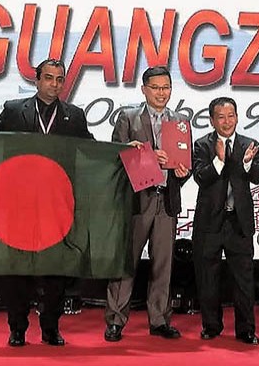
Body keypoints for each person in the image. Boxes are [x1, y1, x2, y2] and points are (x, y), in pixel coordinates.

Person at [0, 58, 94, 347]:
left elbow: (93, 150)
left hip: (56, 205)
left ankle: (51, 329)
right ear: (37, 80)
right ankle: (17, 328)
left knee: (55, 270)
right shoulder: (13, 110)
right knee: (17, 270)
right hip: (18, 203)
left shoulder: (75, 115)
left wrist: (125, 151)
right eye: (49, 78)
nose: (54, 84)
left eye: (59, 79)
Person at [104, 65, 191, 342]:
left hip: (166, 199)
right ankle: (116, 320)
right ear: (144, 89)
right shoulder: (128, 118)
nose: (161, 93)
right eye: (156, 88)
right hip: (136, 201)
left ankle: (159, 319)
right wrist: (145, 156)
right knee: (126, 261)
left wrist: (181, 172)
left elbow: (185, 166)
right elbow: (115, 158)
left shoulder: (180, 121)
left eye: (166, 87)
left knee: (162, 265)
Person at [191, 97, 259, 345]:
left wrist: (245, 162)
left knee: (244, 279)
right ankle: (211, 326)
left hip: (238, 222)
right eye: (221, 117)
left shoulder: (249, 144)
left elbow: (258, 176)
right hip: (210, 223)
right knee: (208, 277)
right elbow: (201, 178)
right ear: (212, 120)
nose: (227, 121)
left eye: (231, 115)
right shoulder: (202, 145)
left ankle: (246, 330)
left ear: (237, 117)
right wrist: (219, 160)